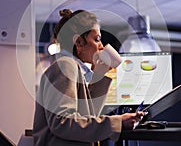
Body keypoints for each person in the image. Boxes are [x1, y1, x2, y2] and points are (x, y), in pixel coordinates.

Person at [33, 9, 144, 146]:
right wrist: (117, 122)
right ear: (79, 42)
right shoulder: (66, 66)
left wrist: (99, 76)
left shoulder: (73, 67)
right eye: (97, 39)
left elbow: (86, 117)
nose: (101, 46)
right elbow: (62, 123)